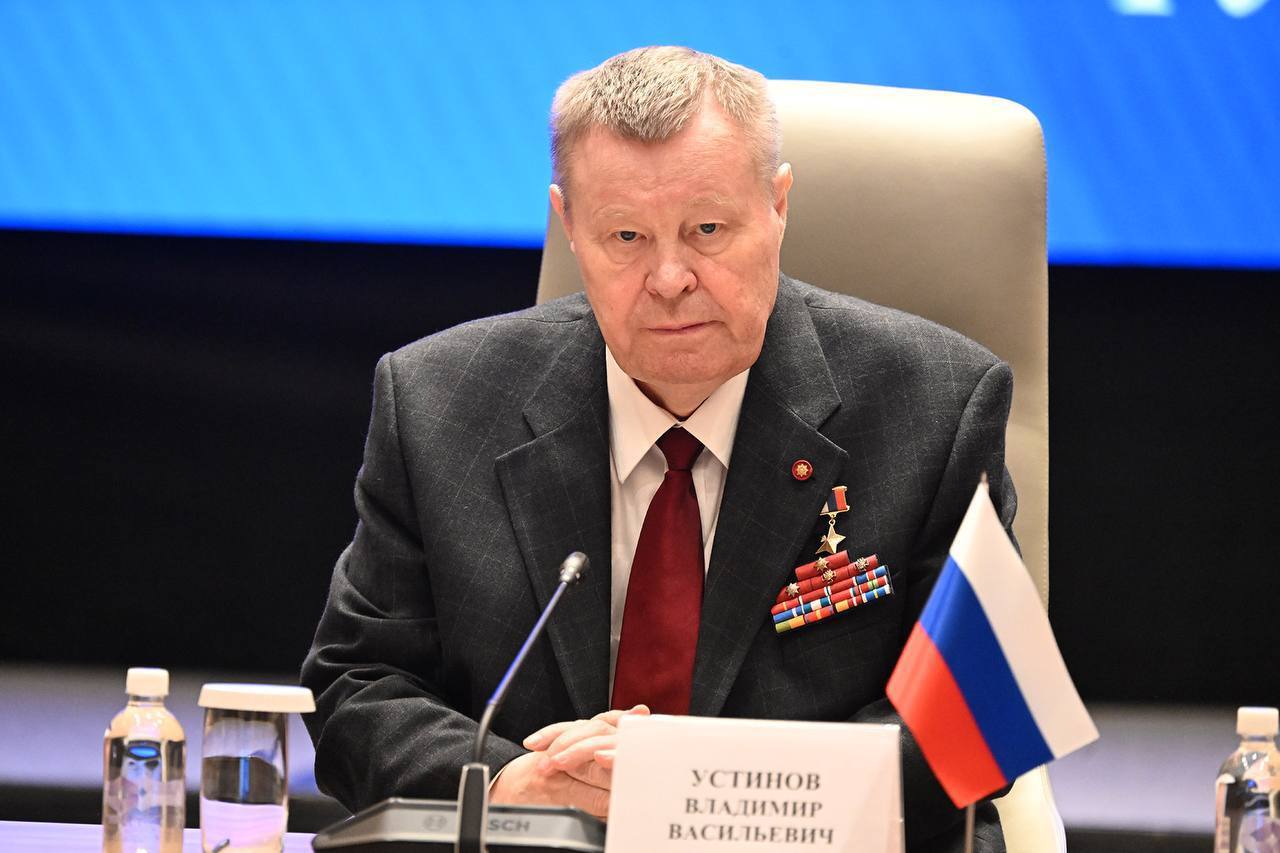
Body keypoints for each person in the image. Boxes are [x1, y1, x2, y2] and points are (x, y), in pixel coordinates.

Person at [301, 46, 1014, 852]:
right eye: (626, 235)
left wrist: (701, 787)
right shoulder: (439, 402)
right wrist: (509, 786)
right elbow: (358, 684)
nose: (670, 277)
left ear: (778, 206)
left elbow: (972, 715)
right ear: (570, 226)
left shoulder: (935, 403)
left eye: (707, 229)